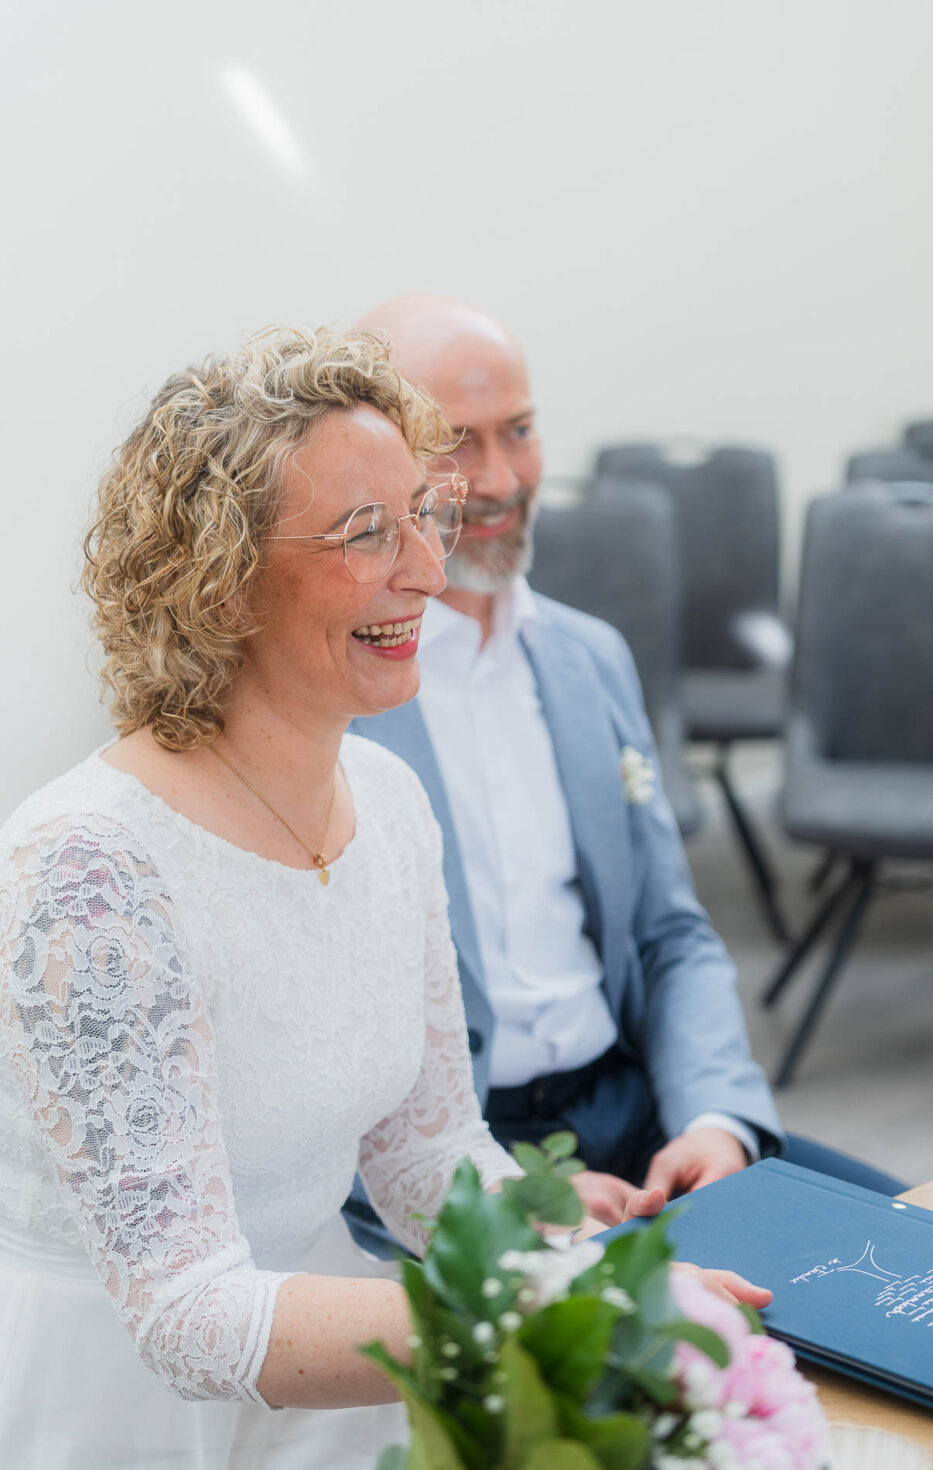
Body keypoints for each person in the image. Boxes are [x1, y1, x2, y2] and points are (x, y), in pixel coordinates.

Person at [0, 326, 764, 1470]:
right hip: (126, 1407)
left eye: (423, 516)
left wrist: (595, 1279)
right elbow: (185, 1315)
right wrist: (555, 1315)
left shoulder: (390, 802)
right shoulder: (90, 870)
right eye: (367, 533)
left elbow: (428, 1152)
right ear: (218, 581)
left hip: (328, 1348)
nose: (427, 571)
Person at [345, 296, 905, 1252]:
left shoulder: (590, 657)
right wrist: (484, 1186)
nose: (499, 479)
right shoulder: (340, 695)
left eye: (520, 431)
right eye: (454, 443)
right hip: (457, 1150)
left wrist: (715, 1119)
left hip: (635, 1108)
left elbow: (669, 932)